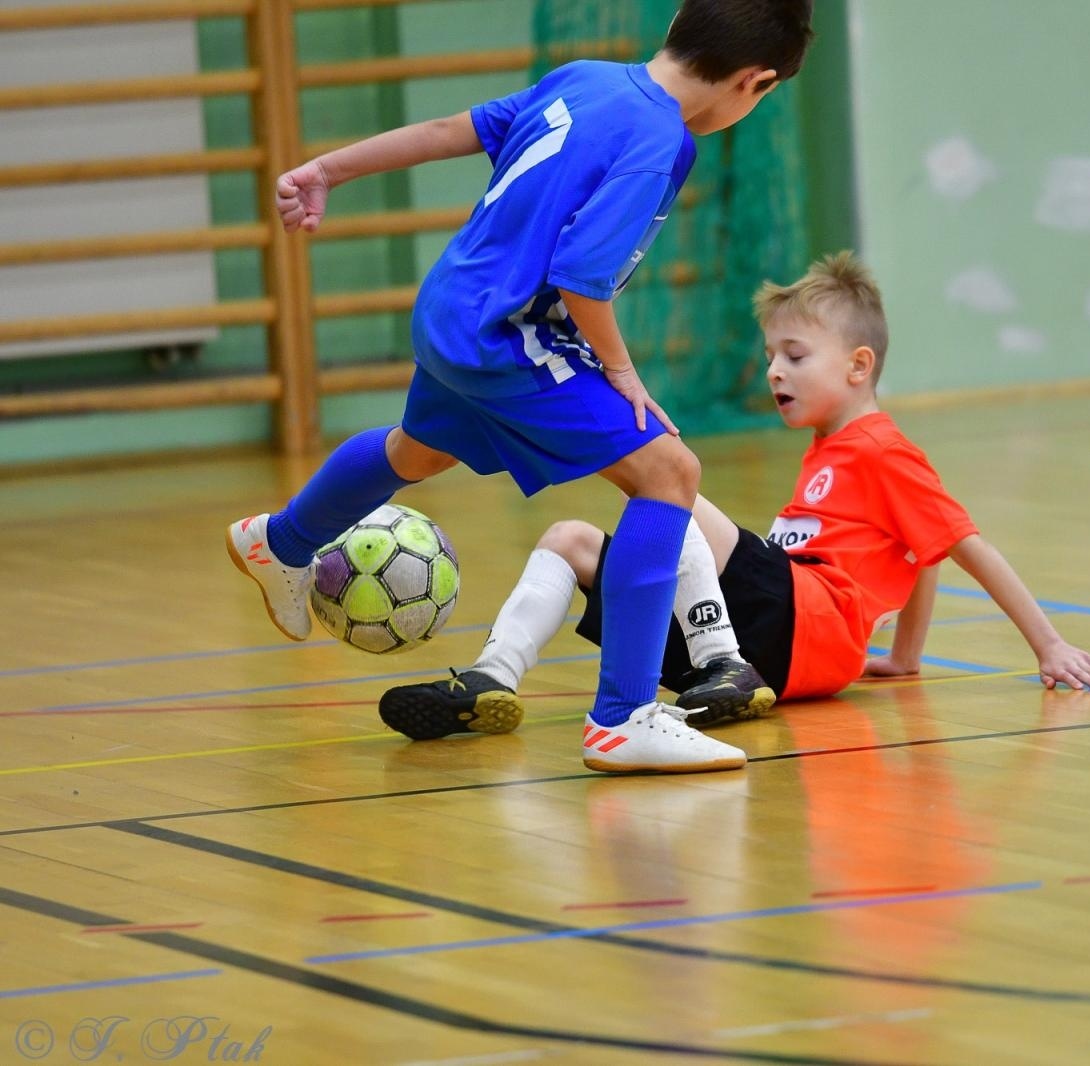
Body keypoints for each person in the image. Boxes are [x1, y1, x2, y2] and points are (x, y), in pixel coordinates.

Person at [225, 0, 815, 774]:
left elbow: (447, 132)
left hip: (451, 306)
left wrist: (325, 168)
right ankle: (625, 717)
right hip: (508, 334)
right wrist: (622, 372)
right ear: (756, 81)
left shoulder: (584, 80)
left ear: (678, 25)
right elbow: (583, 280)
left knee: (420, 450)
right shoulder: (659, 140)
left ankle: (280, 540)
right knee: (670, 472)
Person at [378, 252, 1090, 744]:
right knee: (570, 538)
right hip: (787, 640)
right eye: (770, 358)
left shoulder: (882, 448)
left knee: (674, 493)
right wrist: (906, 656)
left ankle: (724, 662)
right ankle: (490, 681)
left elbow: (959, 542)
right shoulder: (832, 451)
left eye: (795, 356)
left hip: (809, 625)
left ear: (860, 366)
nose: (775, 372)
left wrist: (1047, 643)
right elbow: (921, 550)